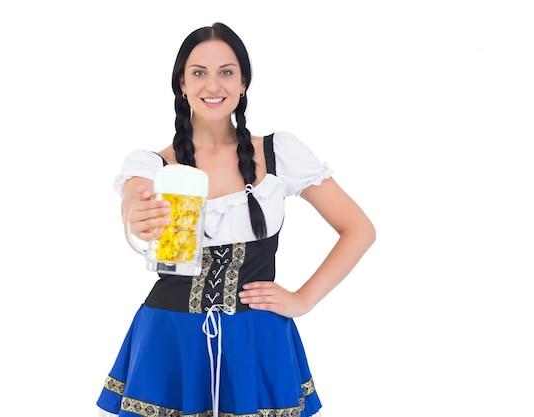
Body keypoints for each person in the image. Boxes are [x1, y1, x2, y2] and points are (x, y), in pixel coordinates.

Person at [96, 22, 376, 417]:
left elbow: (359, 229)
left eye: (226, 72)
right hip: (171, 338)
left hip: (257, 339)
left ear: (243, 83)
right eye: (199, 73)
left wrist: (303, 299)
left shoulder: (279, 154)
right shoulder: (153, 166)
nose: (213, 85)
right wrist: (134, 215)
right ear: (181, 84)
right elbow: (133, 201)